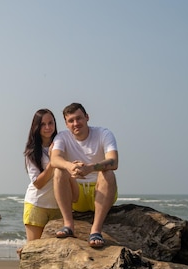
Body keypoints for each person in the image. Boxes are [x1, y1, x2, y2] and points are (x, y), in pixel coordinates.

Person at [50, 102, 118, 248]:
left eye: (79, 118)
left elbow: (114, 161)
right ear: (66, 124)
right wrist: (70, 166)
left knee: (108, 173)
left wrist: (91, 168)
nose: (76, 123)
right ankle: (68, 225)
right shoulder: (62, 137)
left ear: (87, 117)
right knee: (59, 170)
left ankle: (96, 230)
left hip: (99, 192)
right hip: (76, 195)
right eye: (71, 120)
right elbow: (55, 159)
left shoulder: (103, 133)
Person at [22, 109, 78, 243]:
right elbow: (38, 184)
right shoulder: (32, 152)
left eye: (50, 123)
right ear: (36, 126)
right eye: (43, 124)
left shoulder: (63, 145)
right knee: (34, 250)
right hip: (37, 205)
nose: (47, 127)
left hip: (59, 207)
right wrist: (53, 161)